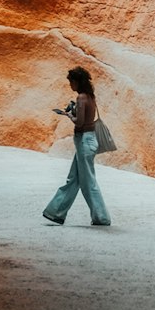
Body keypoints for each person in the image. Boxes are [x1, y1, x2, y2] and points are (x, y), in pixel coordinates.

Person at [42, 65, 112, 226]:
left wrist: (68, 115)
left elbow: (80, 122)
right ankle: (56, 212)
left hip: (84, 141)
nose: (70, 85)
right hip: (87, 141)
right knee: (73, 179)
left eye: (71, 82)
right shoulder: (90, 96)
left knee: (88, 182)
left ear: (77, 81)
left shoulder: (81, 98)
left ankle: (102, 217)